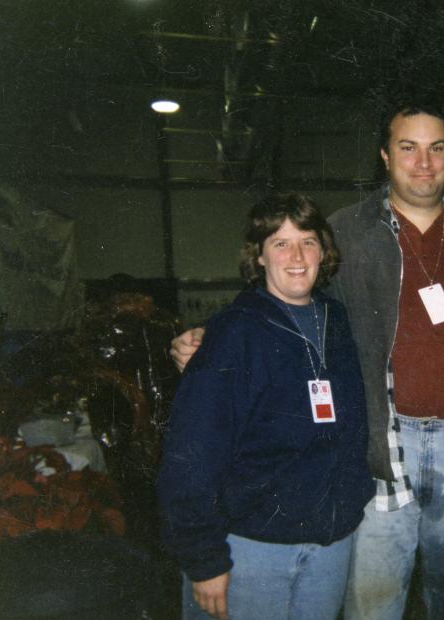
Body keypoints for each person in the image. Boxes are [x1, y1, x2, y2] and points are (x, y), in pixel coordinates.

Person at [170, 104, 444, 619]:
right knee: (372, 600)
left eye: (437, 148)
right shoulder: (347, 228)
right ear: (386, 156)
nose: (424, 163)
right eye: (408, 148)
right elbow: (283, 290)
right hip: (382, 443)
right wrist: (211, 337)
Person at [157, 194, 374, 620]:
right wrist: (204, 560)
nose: (296, 256)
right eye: (279, 243)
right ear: (258, 256)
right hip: (250, 551)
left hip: (329, 548)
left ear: (323, 252)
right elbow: (191, 454)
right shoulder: (233, 333)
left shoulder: (341, 322)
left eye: (308, 242)